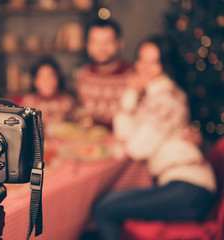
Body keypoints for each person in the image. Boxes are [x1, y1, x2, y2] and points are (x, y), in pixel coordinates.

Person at [91, 36, 217, 240]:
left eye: (154, 61)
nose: (145, 68)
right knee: (105, 204)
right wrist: (132, 93)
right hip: (182, 186)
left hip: (189, 187)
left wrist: (132, 96)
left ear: (165, 64)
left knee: (104, 208)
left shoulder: (165, 98)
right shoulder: (154, 95)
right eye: (141, 59)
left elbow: (136, 149)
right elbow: (123, 133)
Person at [75, 18, 131, 128]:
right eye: (95, 42)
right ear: (87, 45)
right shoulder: (83, 75)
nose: (101, 48)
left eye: (107, 42)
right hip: (90, 140)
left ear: (120, 43)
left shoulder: (132, 75)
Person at [21, 56, 74, 127]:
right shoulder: (28, 103)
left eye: (51, 76)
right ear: (35, 81)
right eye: (42, 77)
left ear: (57, 79)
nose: (47, 81)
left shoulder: (67, 103)